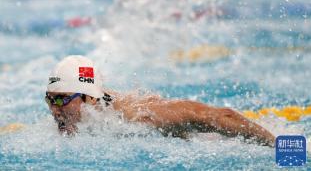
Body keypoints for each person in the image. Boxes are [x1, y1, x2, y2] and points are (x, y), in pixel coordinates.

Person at [46, 55, 276, 147]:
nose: (54, 110)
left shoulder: (140, 116)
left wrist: (280, 146)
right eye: (50, 100)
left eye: (61, 101)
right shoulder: (82, 110)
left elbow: (219, 116)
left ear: (90, 100)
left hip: (212, 140)